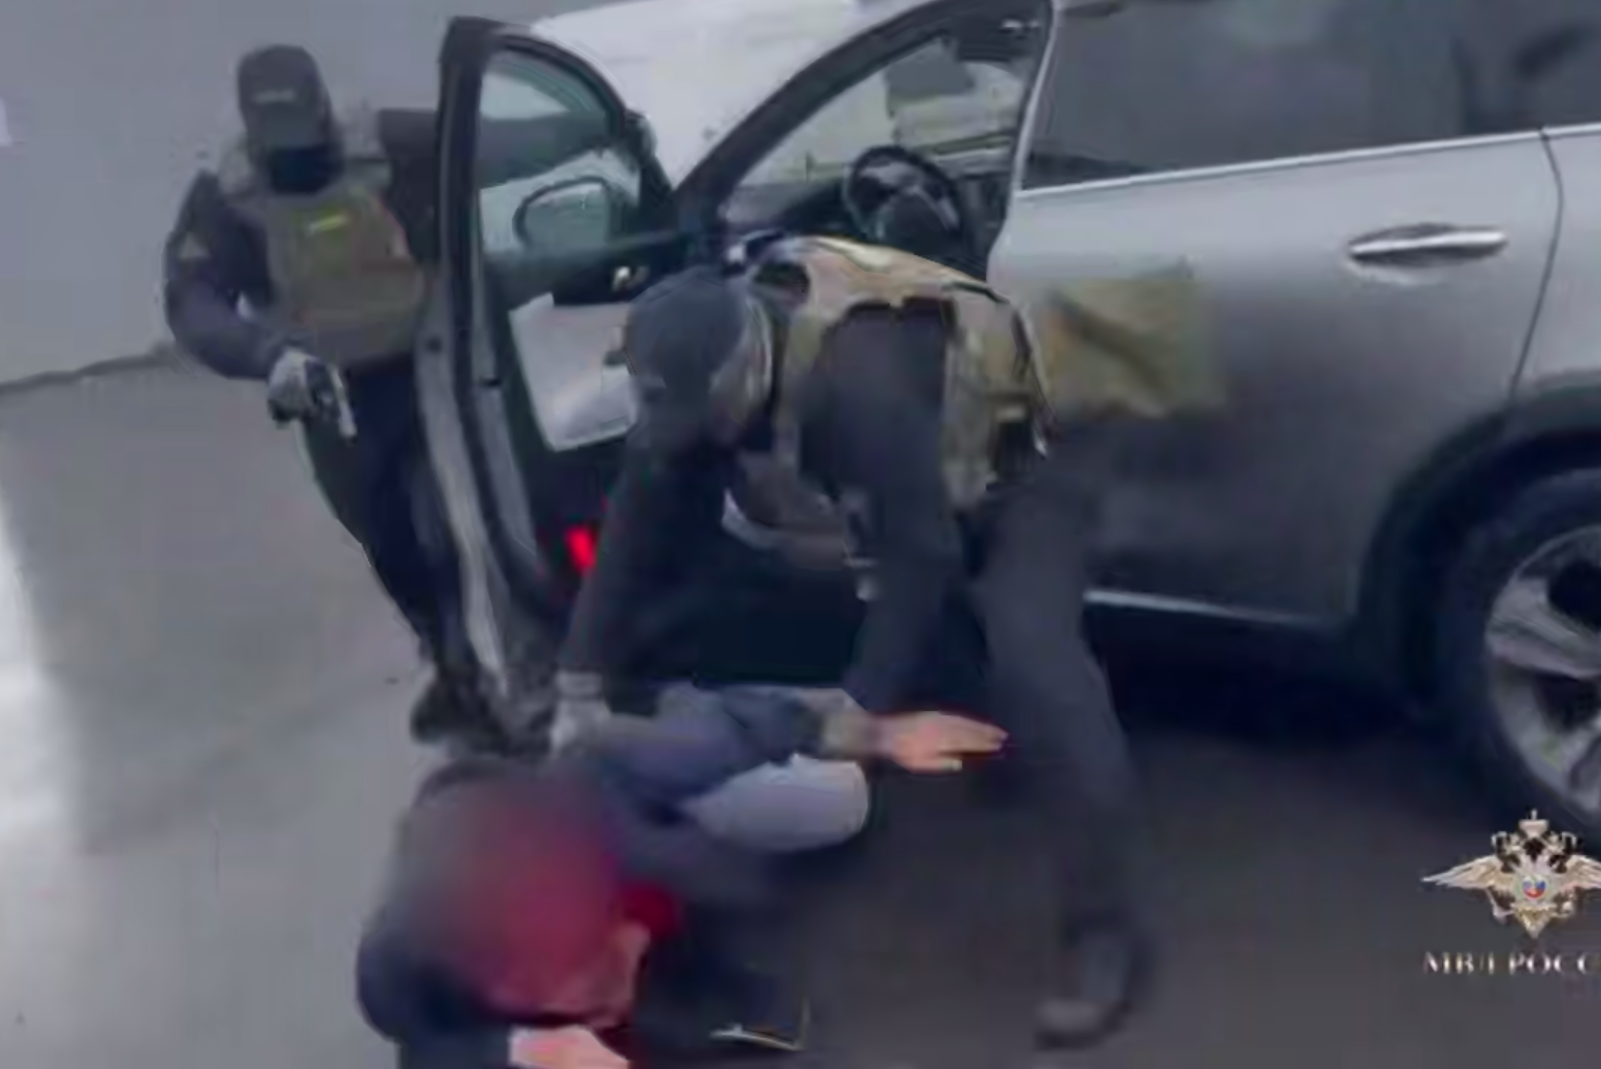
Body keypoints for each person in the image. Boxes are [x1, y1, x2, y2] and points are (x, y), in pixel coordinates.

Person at [550, 234, 1221, 1047]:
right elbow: (640, 518)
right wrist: (580, 678)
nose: (692, 433)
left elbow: (921, 554)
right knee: (939, 621)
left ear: (745, 370)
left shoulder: (853, 382)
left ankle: (1105, 935)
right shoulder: (697, 369)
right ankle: (1007, 750)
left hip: (1038, 455)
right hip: (940, 462)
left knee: (1031, 652)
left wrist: (855, 712)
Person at [161, 45, 612, 748]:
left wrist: (589, 127)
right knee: (388, 539)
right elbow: (192, 300)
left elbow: (490, 146)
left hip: (431, 369)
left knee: (459, 531)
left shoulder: (394, 146)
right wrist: (264, 357)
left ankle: (515, 680)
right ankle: (452, 665)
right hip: (328, 390)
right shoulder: (226, 201)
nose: (299, 160)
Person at [356, 682, 1006, 1069]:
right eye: (593, 973)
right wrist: (524, 1049)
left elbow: (731, 726)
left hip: (644, 840)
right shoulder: (402, 966)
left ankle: (702, 982)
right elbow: (426, 1045)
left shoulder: (592, 780)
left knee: (839, 802)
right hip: (531, 1027)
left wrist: (880, 733)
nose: (619, 955)